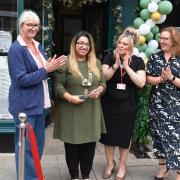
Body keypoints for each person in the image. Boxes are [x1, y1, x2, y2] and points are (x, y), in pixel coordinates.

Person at [8, 10, 66, 180]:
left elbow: (43, 69)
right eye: (29, 25)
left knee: (37, 145)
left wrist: (51, 66)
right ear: (21, 26)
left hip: (40, 104)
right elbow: (21, 79)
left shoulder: (37, 45)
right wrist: (46, 70)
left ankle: (33, 175)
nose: (33, 28)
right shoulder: (16, 49)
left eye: (36, 25)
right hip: (24, 107)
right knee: (25, 148)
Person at [53, 31, 106, 180]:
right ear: (74, 45)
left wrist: (100, 90)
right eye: (80, 43)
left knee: (89, 146)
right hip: (71, 110)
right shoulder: (65, 62)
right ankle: (74, 176)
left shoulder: (96, 63)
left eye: (87, 44)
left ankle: (86, 175)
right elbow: (57, 86)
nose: (84, 46)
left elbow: (103, 83)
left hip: (91, 110)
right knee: (72, 146)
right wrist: (70, 97)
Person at [100, 27, 146, 180]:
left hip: (128, 105)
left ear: (131, 47)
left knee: (124, 137)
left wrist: (126, 66)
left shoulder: (138, 61)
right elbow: (104, 77)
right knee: (108, 136)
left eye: (124, 44)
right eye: (119, 42)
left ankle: (122, 166)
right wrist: (115, 65)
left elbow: (141, 82)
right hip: (109, 104)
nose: (120, 45)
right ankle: (109, 163)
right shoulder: (109, 57)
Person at [146, 26, 180, 180]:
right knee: (158, 136)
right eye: (161, 38)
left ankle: (179, 172)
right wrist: (160, 78)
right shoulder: (154, 58)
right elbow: (148, 79)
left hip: (176, 107)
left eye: (165, 38)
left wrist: (172, 78)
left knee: (176, 138)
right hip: (157, 105)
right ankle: (163, 168)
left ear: (174, 40)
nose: (162, 41)